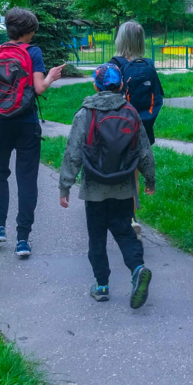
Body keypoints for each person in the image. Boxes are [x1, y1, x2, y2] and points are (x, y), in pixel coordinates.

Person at [59, 63, 155, 309]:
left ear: (95, 85)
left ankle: (101, 286)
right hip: (123, 184)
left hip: (94, 186)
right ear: (122, 86)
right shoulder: (131, 112)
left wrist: (65, 186)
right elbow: (144, 150)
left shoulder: (85, 112)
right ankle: (138, 268)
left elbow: (73, 152)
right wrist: (149, 179)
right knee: (124, 230)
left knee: (97, 236)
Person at [0, 7, 64, 258]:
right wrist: (51, 77)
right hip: (27, 122)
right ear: (28, 32)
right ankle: (23, 240)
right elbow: (38, 89)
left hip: (1, 123)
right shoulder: (32, 52)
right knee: (26, 179)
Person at [109, 21, 163, 235]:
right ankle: (131, 218)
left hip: (119, 127)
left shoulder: (115, 64)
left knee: (115, 172)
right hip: (143, 128)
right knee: (134, 175)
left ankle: (116, 214)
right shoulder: (148, 65)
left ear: (120, 39)